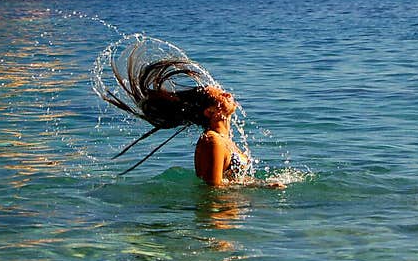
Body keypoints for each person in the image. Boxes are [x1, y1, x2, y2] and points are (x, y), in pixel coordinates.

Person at [95, 41, 283, 187]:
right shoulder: (212, 141)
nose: (227, 93)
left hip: (231, 214)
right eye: (220, 95)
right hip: (218, 221)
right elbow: (213, 190)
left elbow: (231, 182)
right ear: (210, 111)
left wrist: (261, 185)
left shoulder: (224, 140)